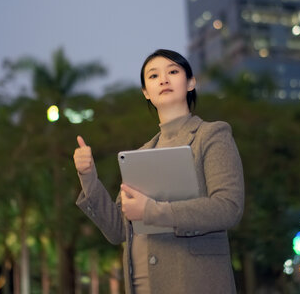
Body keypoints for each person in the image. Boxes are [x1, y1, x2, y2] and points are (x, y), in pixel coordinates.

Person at [73, 49, 244, 294]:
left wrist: (154, 211)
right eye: (153, 76)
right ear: (146, 93)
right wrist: (88, 177)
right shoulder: (141, 154)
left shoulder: (212, 135)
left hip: (193, 283)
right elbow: (117, 230)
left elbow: (228, 208)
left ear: (191, 82)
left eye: (173, 72)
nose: (163, 79)